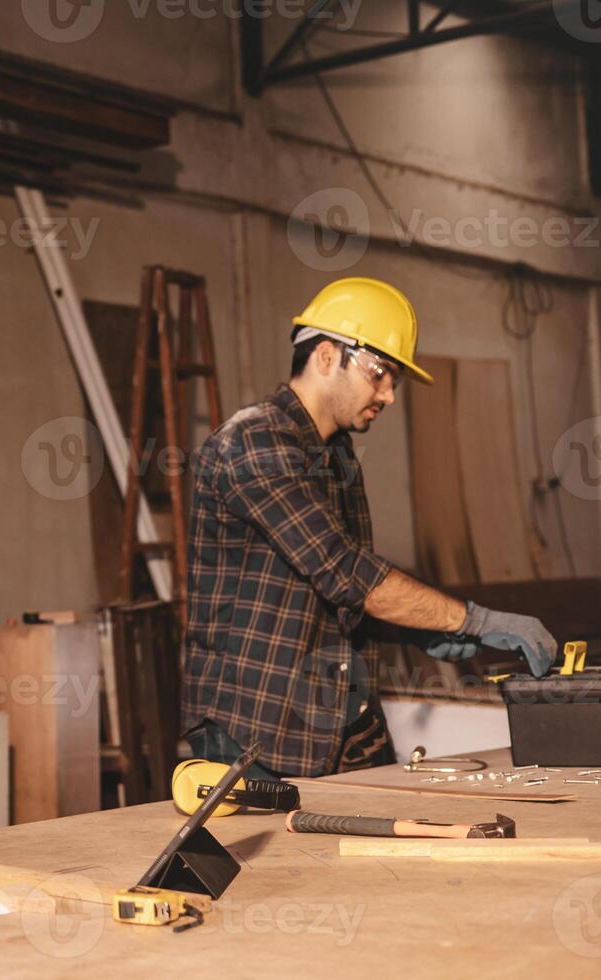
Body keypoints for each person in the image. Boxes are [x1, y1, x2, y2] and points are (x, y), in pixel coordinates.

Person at [181, 277, 555, 779]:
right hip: (257, 734)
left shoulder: (336, 454)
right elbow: (345, 571)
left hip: (338, 723)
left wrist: (417, 628)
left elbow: (333, 596)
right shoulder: (255, 443)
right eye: (380, 373)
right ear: (326, 356)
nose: (388, 395)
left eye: (394, 380)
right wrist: (474, 620)